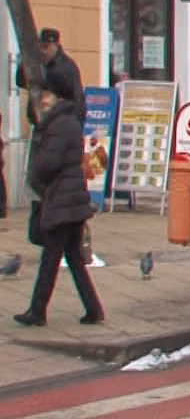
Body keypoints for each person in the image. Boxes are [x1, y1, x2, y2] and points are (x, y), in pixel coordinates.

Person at [13, 70, 104, 327]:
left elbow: (49, 162)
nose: (43, 99)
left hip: (63, 199)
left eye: (48, 94)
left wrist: (36, 170)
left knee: (51, 258)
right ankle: (93, 309)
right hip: (70, 198)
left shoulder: (60, 123)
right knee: (73, 258)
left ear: (59, 97)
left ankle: (37, 311)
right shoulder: (66, 120)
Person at [16, 27, 84, 126]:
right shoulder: (38, 63)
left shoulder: (66, 68)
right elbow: (20, 81)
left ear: (56, 46)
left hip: (60, 122)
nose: (42, 51)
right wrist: (26, 60)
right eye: (40, 47)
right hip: (39, 121)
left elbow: (77, 99)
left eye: (46, 47)